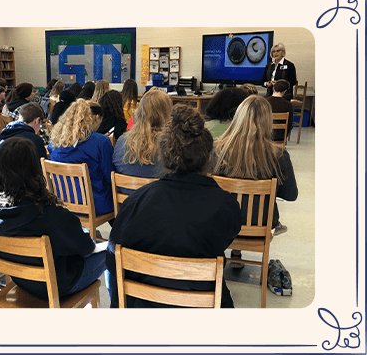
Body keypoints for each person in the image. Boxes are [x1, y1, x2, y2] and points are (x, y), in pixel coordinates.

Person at [106, 104, 242, 308]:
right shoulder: (226, 206)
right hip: (199, 307)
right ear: (208, 157)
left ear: (164, 156)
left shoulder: (136, 202)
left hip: (142, 308)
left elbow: (111, 259)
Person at [0, 137, 106, 300]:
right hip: (60, 284)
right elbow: (86, 248)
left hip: (22, 280)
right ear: (34, 169)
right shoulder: (50, 216)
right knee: (114, 248)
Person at [212, 95, 298, 265]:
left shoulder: (217, 150)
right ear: (268, 122)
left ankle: (232, 253)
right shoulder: (279, 155)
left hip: (221, 222)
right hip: (260, 225)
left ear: (238, 117)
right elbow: (290, 195)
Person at [48, 99, 114, 215]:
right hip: (94, 204)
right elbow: (110, 176)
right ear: (96, 118)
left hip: (62, 202)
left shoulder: (55, 142)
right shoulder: (101, 141)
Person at [112, 90, 172, 183]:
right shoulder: (172, 145)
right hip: (160, 196)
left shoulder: (122, 141)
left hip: (127, 196)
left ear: (139, 111)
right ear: (168, 113)